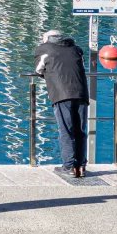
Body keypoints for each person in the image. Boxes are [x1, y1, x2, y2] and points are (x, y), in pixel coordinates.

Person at [35, 29, 90, 179]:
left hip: (61, 94)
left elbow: (39, 70)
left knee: (66, 130)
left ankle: (69, 167)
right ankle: (81, 166)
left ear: (48, 39)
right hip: (81, 93)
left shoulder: (44, 49)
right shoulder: (76, 49)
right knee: (80, 130)